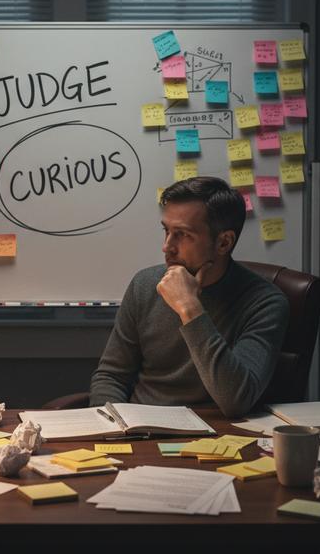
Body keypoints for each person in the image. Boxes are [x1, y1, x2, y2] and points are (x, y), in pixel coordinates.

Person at [89, 176, 289, 418]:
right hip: (141, 428)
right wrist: (111, 426)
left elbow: (236, 399)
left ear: (224, 242)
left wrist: (190, 308)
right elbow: (112, 376)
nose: (167, 246)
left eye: (183, 235)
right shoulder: (145, 284)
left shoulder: (265, 302)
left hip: (217, 437)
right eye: (167, 231)